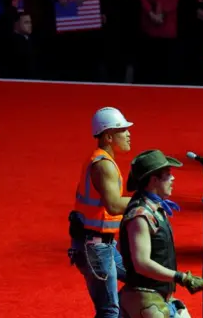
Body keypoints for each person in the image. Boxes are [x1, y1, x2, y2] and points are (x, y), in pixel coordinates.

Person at [118, 149, 203, 317]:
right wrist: (181, 277)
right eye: (167, 174)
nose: (173, 179)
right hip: (144, 299)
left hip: (157, 297)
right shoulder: (140, 215)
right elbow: (141, 263)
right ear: (154, 180)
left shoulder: (155, 209)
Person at [68, 107, 133, 318]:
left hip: (103, 244)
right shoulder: (103, 165)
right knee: (109, 311)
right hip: (95, 248)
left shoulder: (103, 160)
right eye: (122, 130)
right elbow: (113, 205)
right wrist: (146, 200)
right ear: (108, 136)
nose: (128, 134)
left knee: (137, 280)